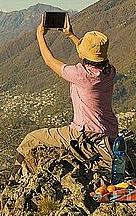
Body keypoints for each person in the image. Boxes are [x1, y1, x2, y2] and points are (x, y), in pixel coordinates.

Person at [11, 14, 119, 179]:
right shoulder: (109, 71)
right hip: (110, 132)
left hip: (85, 135)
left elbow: (49, 60)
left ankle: (12, 180)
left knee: (31, 138)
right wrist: (70, 35)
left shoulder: (81, 75)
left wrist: (39, 35)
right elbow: (89, 56)